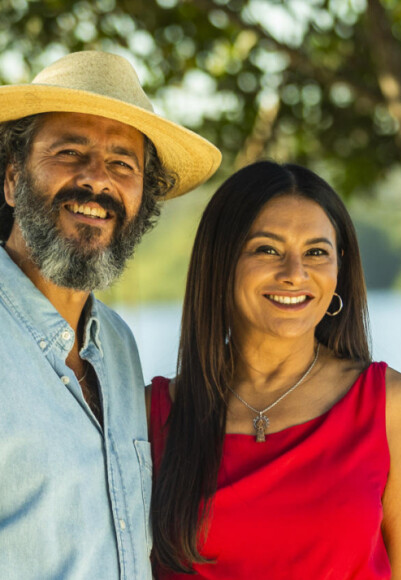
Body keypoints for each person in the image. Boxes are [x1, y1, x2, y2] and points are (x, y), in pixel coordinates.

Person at [149, 160, 401, 579]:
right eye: (267, 249)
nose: (294, 274)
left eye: (316, 253)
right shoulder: (151, 415)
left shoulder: (390, 405)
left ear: (339, 269)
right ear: (221, 262)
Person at [0, 51, 221, 580]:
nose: (97, 180)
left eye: (123, 164)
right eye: (70, 151)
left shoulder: (118, 348)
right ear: (10, 180)